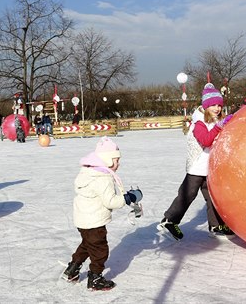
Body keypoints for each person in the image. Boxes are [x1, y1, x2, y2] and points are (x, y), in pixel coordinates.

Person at [62, 137, 142, 291]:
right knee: (100, 250)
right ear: (106, 159)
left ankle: (72, 270)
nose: (118, 164)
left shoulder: (88, 172)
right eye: (116, 160)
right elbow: (110, 201)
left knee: (87, 245)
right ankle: (95, 278)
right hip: (94, 221)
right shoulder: (102, 178)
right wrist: (128, 198)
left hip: (83, 219)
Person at [158, 82, 235, 240]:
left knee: (213, 197)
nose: (217, 108)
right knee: (187, 195)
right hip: (197, 168)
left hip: (210, 168)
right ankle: (169, 221)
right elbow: (206, 140)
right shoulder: (198, 122)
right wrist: (219, 127)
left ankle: (215, 225)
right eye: (213, 105)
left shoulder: (214, 120)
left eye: (219, 105)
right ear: (205, 106)